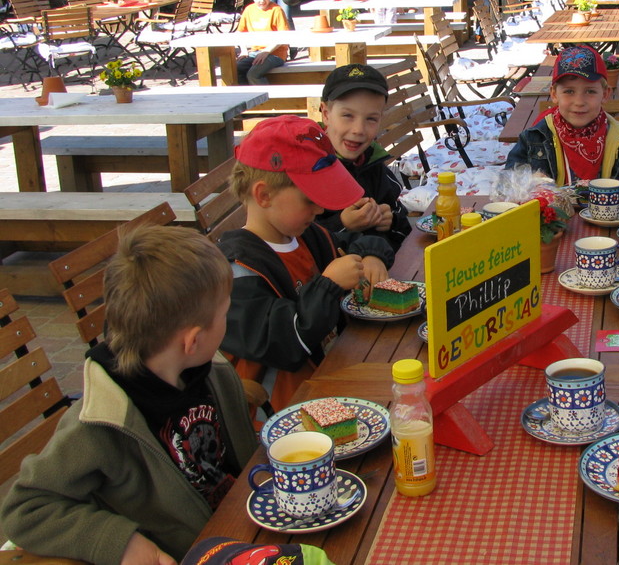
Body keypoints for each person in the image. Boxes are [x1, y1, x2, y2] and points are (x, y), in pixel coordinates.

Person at [0, 225, 257, 564]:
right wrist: (121, 543)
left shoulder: (210, 374)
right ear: (192, 341)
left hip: (248, 524)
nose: (226, 321)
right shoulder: (100, 424)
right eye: (224, 314)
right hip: (197, 552)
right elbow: (25, 509)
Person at [218, 115, 393, 410]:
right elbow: (283, 344)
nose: (321, 207)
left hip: (333, 375)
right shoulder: (234, 271)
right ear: (264, 195)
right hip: (286, 413)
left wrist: (371, 256)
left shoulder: (307, 235)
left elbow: (358, 244)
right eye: (309, 199)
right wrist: (329, 286)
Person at [315, 65, 411, 251]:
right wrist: (343, 224)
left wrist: (390, 219)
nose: (358, 130)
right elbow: (294, 243)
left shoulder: (373, 163)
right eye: (347, 115)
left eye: (371, 119)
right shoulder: (308, 170)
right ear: (326, 114)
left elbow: (404, 230)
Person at [505, 45, 619, 185]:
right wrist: (526, 183)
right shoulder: (534, 138)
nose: (579, 102)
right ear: (554, 94)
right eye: (569, 92)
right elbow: (508, 182)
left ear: (605, 94)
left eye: (590, 91)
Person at [234, 0, 290, 85]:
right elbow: (240, 33)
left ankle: (268, 100)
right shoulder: (249, 10)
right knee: (236, 68)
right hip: (255, 52)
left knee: (253, 74)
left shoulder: (276, 10)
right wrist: (244, 50)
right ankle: (246, 97)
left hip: (275, 53)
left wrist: (266, 51)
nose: (262, 1)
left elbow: (283, 36)